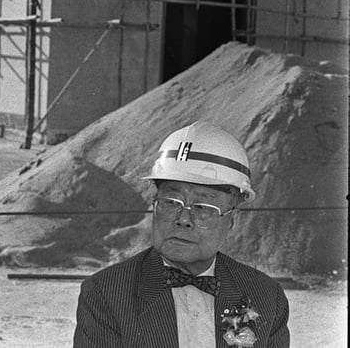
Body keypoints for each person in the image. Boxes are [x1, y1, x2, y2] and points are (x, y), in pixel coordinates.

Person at [73, 121, 290, 347]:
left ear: (232, 220)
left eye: (203, 208)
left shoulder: (266, 296)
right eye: (171, 202)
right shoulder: (107, 294)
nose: (183, 219)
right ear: (154, 205)